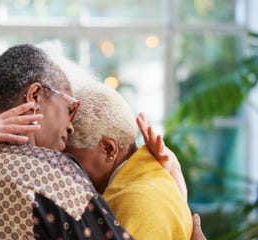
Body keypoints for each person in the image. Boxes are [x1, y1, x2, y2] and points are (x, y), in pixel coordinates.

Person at [0, 42, 207, 240]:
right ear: (35, 96)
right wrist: (176, 197)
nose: (70, 125)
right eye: (69, 105)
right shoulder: (56, 175)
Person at [64, 81, 192, 239]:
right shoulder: (155, 179)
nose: (69, 173)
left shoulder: (137, 201)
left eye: (73, 162)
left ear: (108, 149)